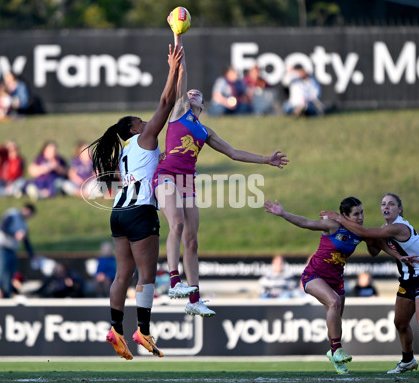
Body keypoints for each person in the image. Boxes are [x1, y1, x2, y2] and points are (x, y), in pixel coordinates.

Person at [153, 35, 289, 318]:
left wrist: (266, 159)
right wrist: (179, 44)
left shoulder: (205, 131)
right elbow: (183, 77)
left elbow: (234, 152)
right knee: (176, 224)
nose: (192, 94)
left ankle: (194, 298)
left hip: (187, 181)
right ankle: (174, 281)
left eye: (197, 95)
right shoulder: (179, 112)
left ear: (202, 105)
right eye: (189, 93)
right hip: (166, 175)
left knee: (192, 241)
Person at [87, 38, 183, 360]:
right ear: (133, 128)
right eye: (140, 120)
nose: (146, 121)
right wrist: (172, 70)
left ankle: (115, 328)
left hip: (118, 214)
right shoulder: (143, 138)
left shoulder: (124, 152)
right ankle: (142, 329)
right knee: (145, 276)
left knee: (121, 275)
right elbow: (166, 105)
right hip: (141, 212)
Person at [321, 193, 419, 375]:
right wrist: (370, 240)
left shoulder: (399, 226)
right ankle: (408, 360)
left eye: (391, 204)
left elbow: (366, 233)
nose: (386, 207)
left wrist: (339, 219)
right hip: (407, 280)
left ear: (400, 209)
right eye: (383, 204)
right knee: (400, 323)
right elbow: (374, 250)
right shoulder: (386, 227)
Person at [264, 197, 364, 375]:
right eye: (356, 214)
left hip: (336, 280)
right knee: (334, 302)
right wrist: (283, 213)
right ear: (344, 216)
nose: (360, 217)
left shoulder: (360, 233)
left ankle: (333, 353)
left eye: (362, 212)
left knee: (335, 320)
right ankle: (337, 350)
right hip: (314, 275)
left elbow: (377, 244)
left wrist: (399, 256)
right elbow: (305, 222)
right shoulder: (333, 226)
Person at [0, 203, 36, 298]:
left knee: (11, 274)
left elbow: (26, 241)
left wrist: (32, 255)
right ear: (27, 210)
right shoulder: (12, 214)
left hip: (12, 250)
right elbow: (3, 227)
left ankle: (6, 295)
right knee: (2, 270)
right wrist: (14, 235)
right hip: (1, 247)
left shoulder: (24, 225)